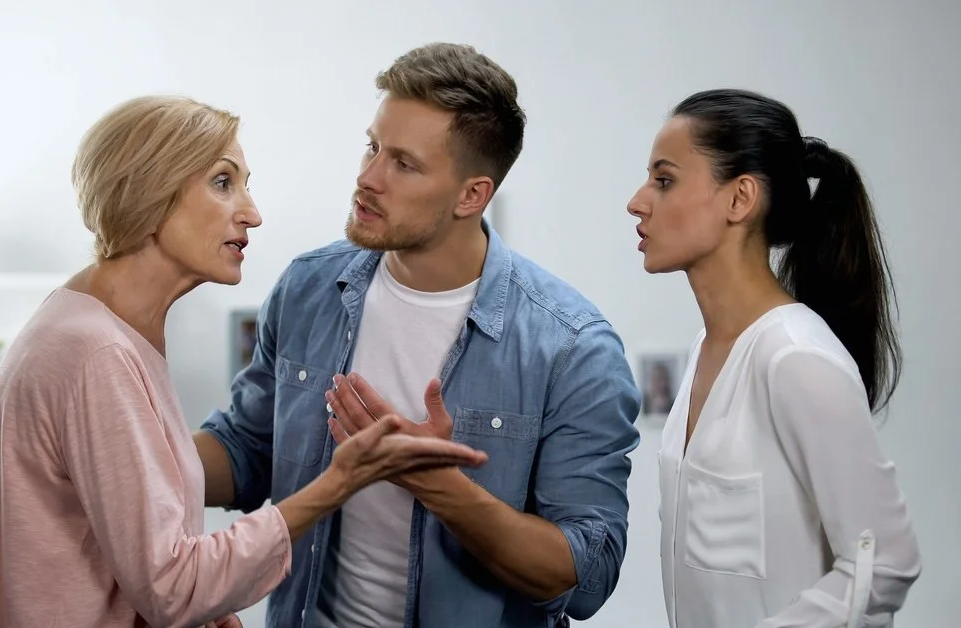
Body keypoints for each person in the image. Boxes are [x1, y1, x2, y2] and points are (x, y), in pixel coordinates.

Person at [0, 95, 490, 628]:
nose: (252, 213)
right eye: (222, 182)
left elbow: (138, 550)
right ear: (150, 192)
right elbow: (173, 586)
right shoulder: (96, 353)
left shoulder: (100, 327)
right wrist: (341, 479)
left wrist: (205, 605)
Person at [195, 42, 642, 628]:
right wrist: (114, 454)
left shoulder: (573, 348)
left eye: (403, 163)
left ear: (471, 195)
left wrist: (438, 486)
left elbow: (588, 576)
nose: (367, 176)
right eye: (373, 146)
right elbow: (246, 452)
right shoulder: (308, 289)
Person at [626, 88, 922, 627]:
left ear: (740, 199)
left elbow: (885, 563)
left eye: (664, 180)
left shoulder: (796, 357)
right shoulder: (703, 351)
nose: (638, 201)